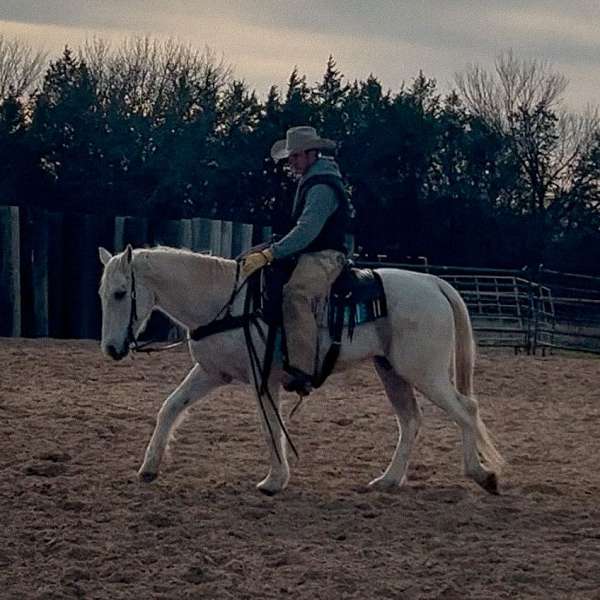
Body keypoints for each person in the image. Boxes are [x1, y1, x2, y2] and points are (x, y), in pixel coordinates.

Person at [241, 126, 352, 395]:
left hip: (326, 255)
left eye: (295, 157)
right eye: (290, 158)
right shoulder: (313, 180)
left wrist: (271, 252)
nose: (291, 163)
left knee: (296, 293)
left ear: (311, 154)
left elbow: (307, 230)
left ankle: (302, 369)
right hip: (312, 251)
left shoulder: (322, 187)